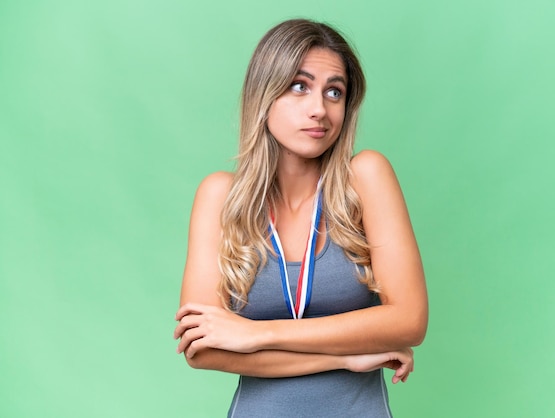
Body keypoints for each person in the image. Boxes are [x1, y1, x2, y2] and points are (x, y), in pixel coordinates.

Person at [173, 19, 428, 417]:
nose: (319, 109)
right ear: (264, 95)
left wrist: (256, 334)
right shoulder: (220, 197)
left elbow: (410, 321)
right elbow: (201, 349)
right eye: (299, 86)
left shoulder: (366, 178)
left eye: (334, 92)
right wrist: (345, 358)